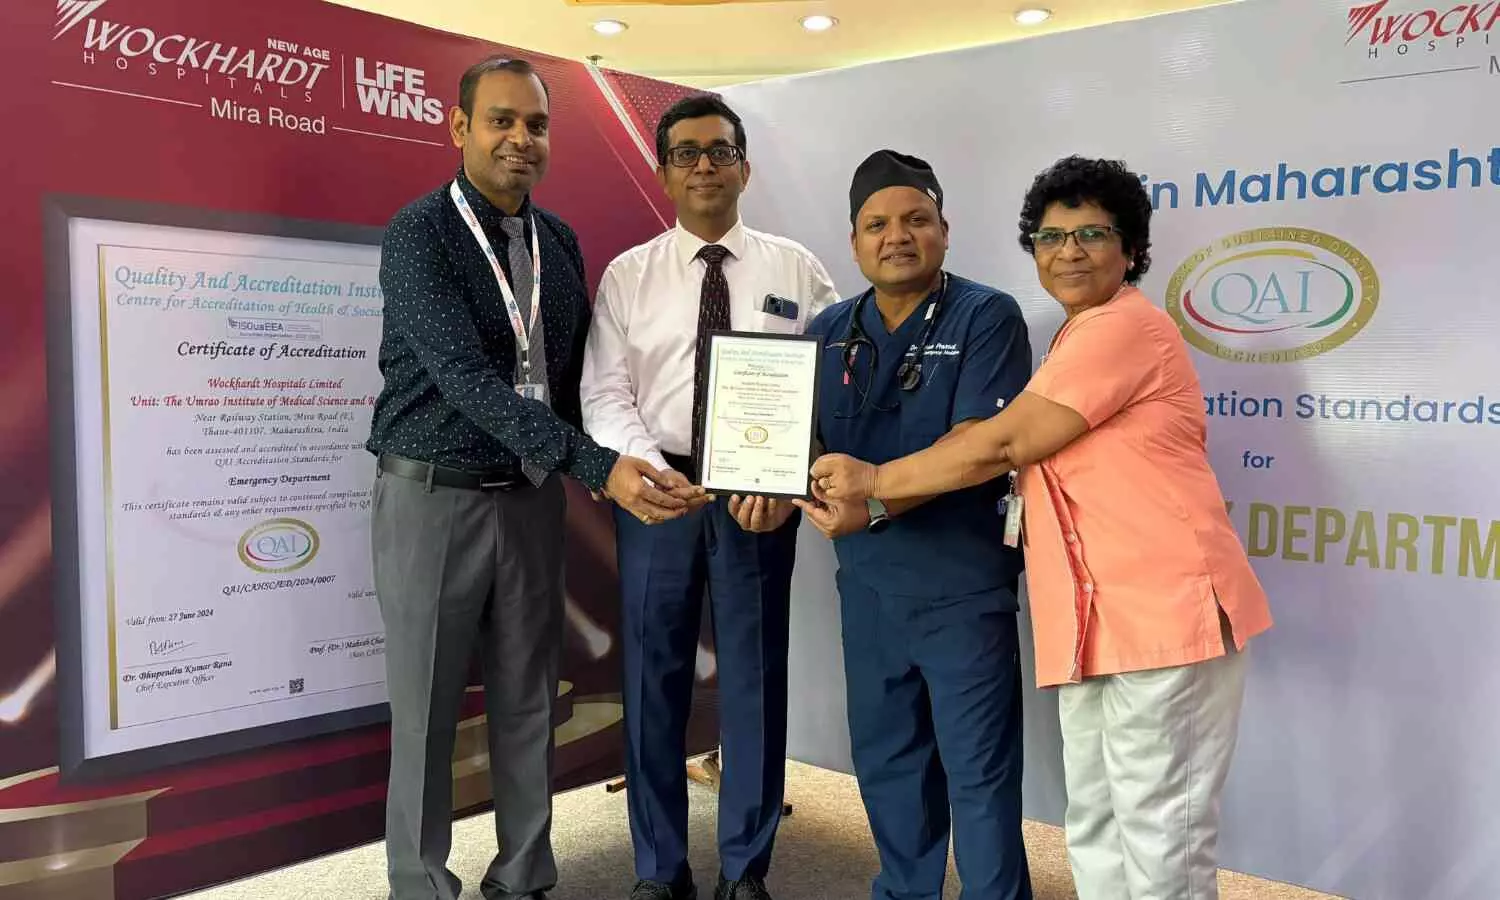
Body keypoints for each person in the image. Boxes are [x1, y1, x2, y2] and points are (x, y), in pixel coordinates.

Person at [809, 155, 1275, 900]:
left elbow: (1002, 443)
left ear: (1131, 248)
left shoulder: (1121, 329)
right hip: (1093, 621)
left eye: (1092, 234)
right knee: (1095, 825)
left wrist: (873, 486)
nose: (1069, 251)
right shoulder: (1071, 336)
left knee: (1162, 839)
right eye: (1052, 237)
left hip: (1163, 616)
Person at [367, 56, 687, 900]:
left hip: (532, 498)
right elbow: (467, 381)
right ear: (459, 127)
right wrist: (596, 464)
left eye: (537, 125)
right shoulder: (420, 233)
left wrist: (629, 456)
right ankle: (420, 883)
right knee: (427, 710)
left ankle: (524, 874)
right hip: (433, 497)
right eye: (501, 120)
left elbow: (577, 376)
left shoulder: (559, 242)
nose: (521, 139)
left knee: (528, 699)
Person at [580, 93, 840, 900]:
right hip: (658, 491)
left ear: (745, 169)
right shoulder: (630, 275)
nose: (704, 166)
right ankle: (659, 869)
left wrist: (791, 475)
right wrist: (648, 469)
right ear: (664, 173)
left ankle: (745, 868)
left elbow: (830, 385)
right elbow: (605, 389)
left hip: (757, 496)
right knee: (652, 677)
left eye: (720, 151)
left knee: (754, 678)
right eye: (686, 153)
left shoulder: (796, 269)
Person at [790, 150, 1034, 900]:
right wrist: (772, 487)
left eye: (915, 219)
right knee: (890, 765)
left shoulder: (986, 316)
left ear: (944, 230)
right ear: (854, 241)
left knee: (979, 775)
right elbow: (801, 444)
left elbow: (979, 447)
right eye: (877, 225)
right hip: (868, 592)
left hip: (962, 591)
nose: (897, 236)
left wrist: (874, 497)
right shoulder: (828, 330)